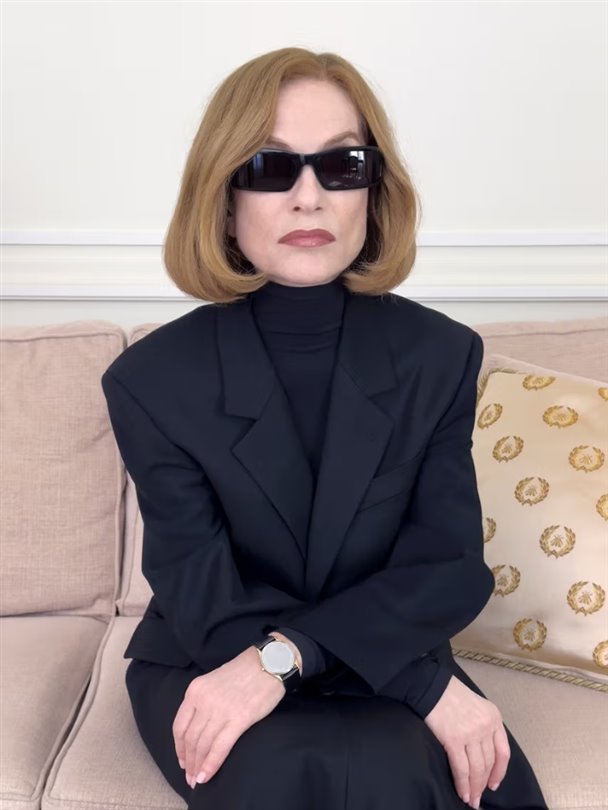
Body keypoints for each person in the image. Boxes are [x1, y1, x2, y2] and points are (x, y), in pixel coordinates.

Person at [101, 47, 549, 810]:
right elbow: (203, 594)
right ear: (223, 197)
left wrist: (296, 656)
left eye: (342, 165)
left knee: (434, 773)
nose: (308, 198)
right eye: (270, 167)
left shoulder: (440, 355)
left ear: (373, 192)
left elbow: (447, 567)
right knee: (295, 769)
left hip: (383, 650)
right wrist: (421, 685)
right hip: (217, 656)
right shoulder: (150, 381)